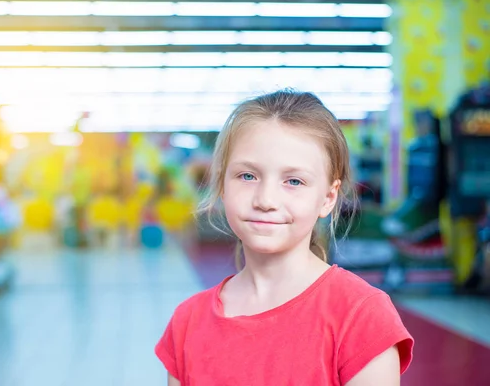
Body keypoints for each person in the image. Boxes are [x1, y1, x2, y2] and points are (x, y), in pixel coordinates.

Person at [155, 89, 414, 385]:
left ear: (328, 198)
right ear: (222, 185)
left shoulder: (362, 317)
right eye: (247, 176)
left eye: (294, 181)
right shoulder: (188, 323)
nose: (266, 199)